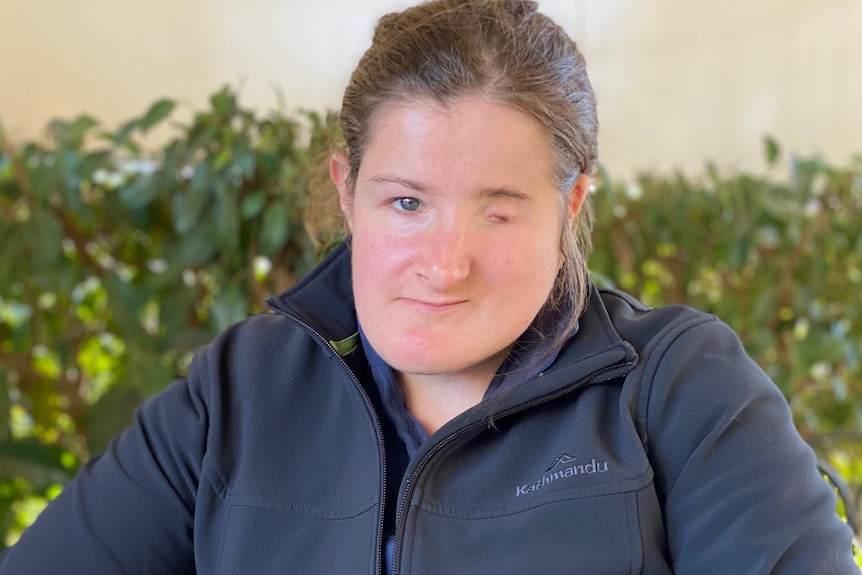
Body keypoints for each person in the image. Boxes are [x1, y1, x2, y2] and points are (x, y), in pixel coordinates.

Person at [0, 0, 858, 573]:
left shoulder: (680, 383)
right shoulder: (239, 389)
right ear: (347, 190)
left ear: (570, 205)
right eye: (407, 202)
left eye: (499, 211)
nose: (444, 264)